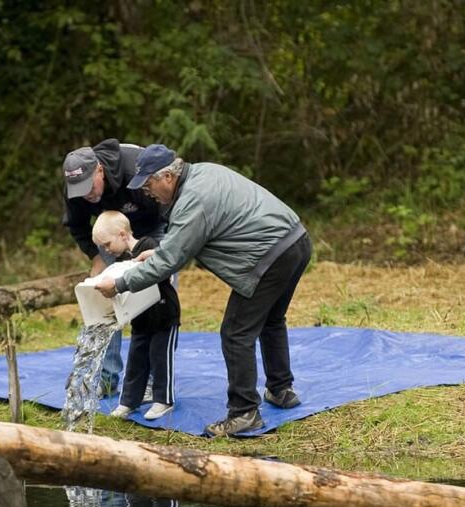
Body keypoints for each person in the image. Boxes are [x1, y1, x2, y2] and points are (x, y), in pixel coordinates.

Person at [93, 144, 309, 438]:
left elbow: (170, 262)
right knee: (271, 319)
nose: (147, 192)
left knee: (236, 332)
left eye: (149, 184)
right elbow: (176, 245)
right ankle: (281, 389)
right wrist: (154, 255)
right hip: (296, 241)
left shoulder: (193, 200)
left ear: (167, 177)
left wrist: (118, 284)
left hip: (270, 256)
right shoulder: (203, 172)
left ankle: (244, 412)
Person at [62, 140, 164, 395]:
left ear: (99, 170)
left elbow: (174, 206)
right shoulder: (75, 187)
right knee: (103, 297)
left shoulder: (135, 170)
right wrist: (95, 257)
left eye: (89, 186)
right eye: (79, 189)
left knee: (156, 302)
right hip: (110, 236)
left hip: (154, 226)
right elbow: (77, 226)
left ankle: (153, 380)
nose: (85, 194)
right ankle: (107, 380)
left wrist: (165, 253)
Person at [91, 210, 180, 421]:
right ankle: (128, 402)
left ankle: (163, 400)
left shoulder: (147, 245)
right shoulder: (121, 261)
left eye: (107, 244)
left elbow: (164, 266)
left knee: (160, 358)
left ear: (122, 235)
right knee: (135, 361)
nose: (106, 250)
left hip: (164, 315)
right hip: (140, 319)